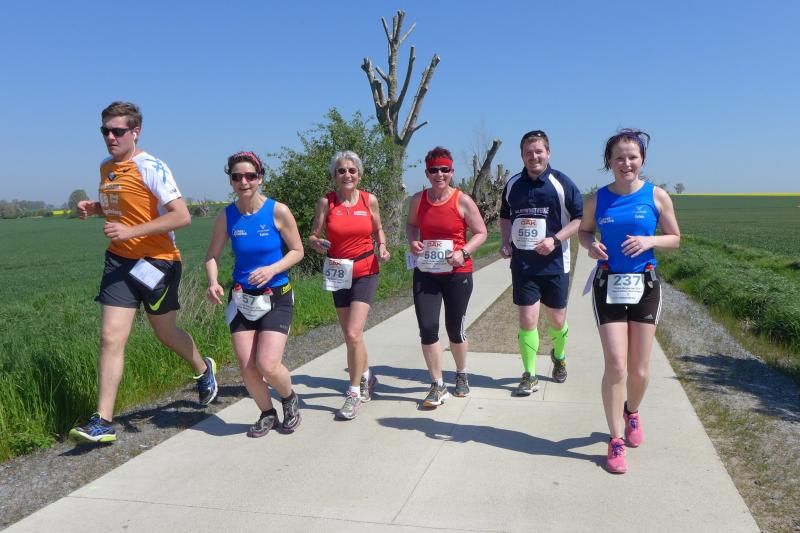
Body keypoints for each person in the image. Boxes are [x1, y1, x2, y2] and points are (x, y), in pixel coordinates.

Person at [70, 101, 217, 444]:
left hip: (158, 262)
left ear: (135, 132)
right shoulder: (106, 167)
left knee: (166, 333)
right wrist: (94, 208)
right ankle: (103, 421)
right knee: (110, 337)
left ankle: (202, 368)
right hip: (119, 262)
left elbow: (181, 216)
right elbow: (123, 207)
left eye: (117, 131)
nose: (110, 137)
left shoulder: (151, 166)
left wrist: (131, 232)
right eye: (105, 131)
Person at [578, 129, 680, 474]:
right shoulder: (596, 199)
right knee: (617, 367)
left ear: (642, 160)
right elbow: (584, 231)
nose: (626, 163)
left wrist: (650, 241)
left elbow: (675, 238)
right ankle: (615, 440)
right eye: (619, 157)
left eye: (632, 157)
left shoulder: (657, 196)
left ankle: (631, 411)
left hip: (645, 286)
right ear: (609, 161)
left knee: (639, 370)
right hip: (608, 285)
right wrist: (591, 245)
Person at [205, 151, 304, 437]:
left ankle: (289, 399)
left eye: (250, 176)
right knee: (248, 367)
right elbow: (212, 255)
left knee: (267, 364)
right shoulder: (227, 216)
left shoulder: (278, 211)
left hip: (276, 295)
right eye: (237, 177)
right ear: (231, 181)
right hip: (241, 298)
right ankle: (267, 413)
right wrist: (213, 281)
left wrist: (272, 269)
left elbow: (297, 250)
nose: (244, 182)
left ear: (260, 178)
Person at [499, 130, 583, 395]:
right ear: (521, 155)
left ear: (548, 153)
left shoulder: (561, 183)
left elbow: (580, 219)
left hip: (555, 265)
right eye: (528, 152)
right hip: (524, 266)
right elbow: (505, 216)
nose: (534, 156)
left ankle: (559, 356)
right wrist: (505, 241)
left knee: (556, 322)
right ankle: (530, 374)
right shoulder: (513, 184)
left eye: (539, 151)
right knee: (527, 320)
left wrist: (555, 240)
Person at [308, 151, 390, 420]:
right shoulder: (326, 202)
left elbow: (377, 228)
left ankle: (353, 393)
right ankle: (367, 376)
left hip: (365, 269)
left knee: (354, 333)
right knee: (350, 335)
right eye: (341, 170)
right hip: (338, 271)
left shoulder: (369, 200)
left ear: (359, 175)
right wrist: (316, 243)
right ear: (334, 175)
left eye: (352, 170)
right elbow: (313, 235)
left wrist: (383, 246)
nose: (347, 175)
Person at [406, 147, 487, 406]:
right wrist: (413, 242)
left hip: (457, 273)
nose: (439, 174)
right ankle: (437, 384)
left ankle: (461, 374)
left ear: (452, 172)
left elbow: (481, 232)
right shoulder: (418, 200)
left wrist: (464, 252)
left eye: (444, 169)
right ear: (427, 173)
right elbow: (411, 225)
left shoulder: (462, 200)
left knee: (455, 328)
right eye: (434, 170)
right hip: (426, 272)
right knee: (428, 327)